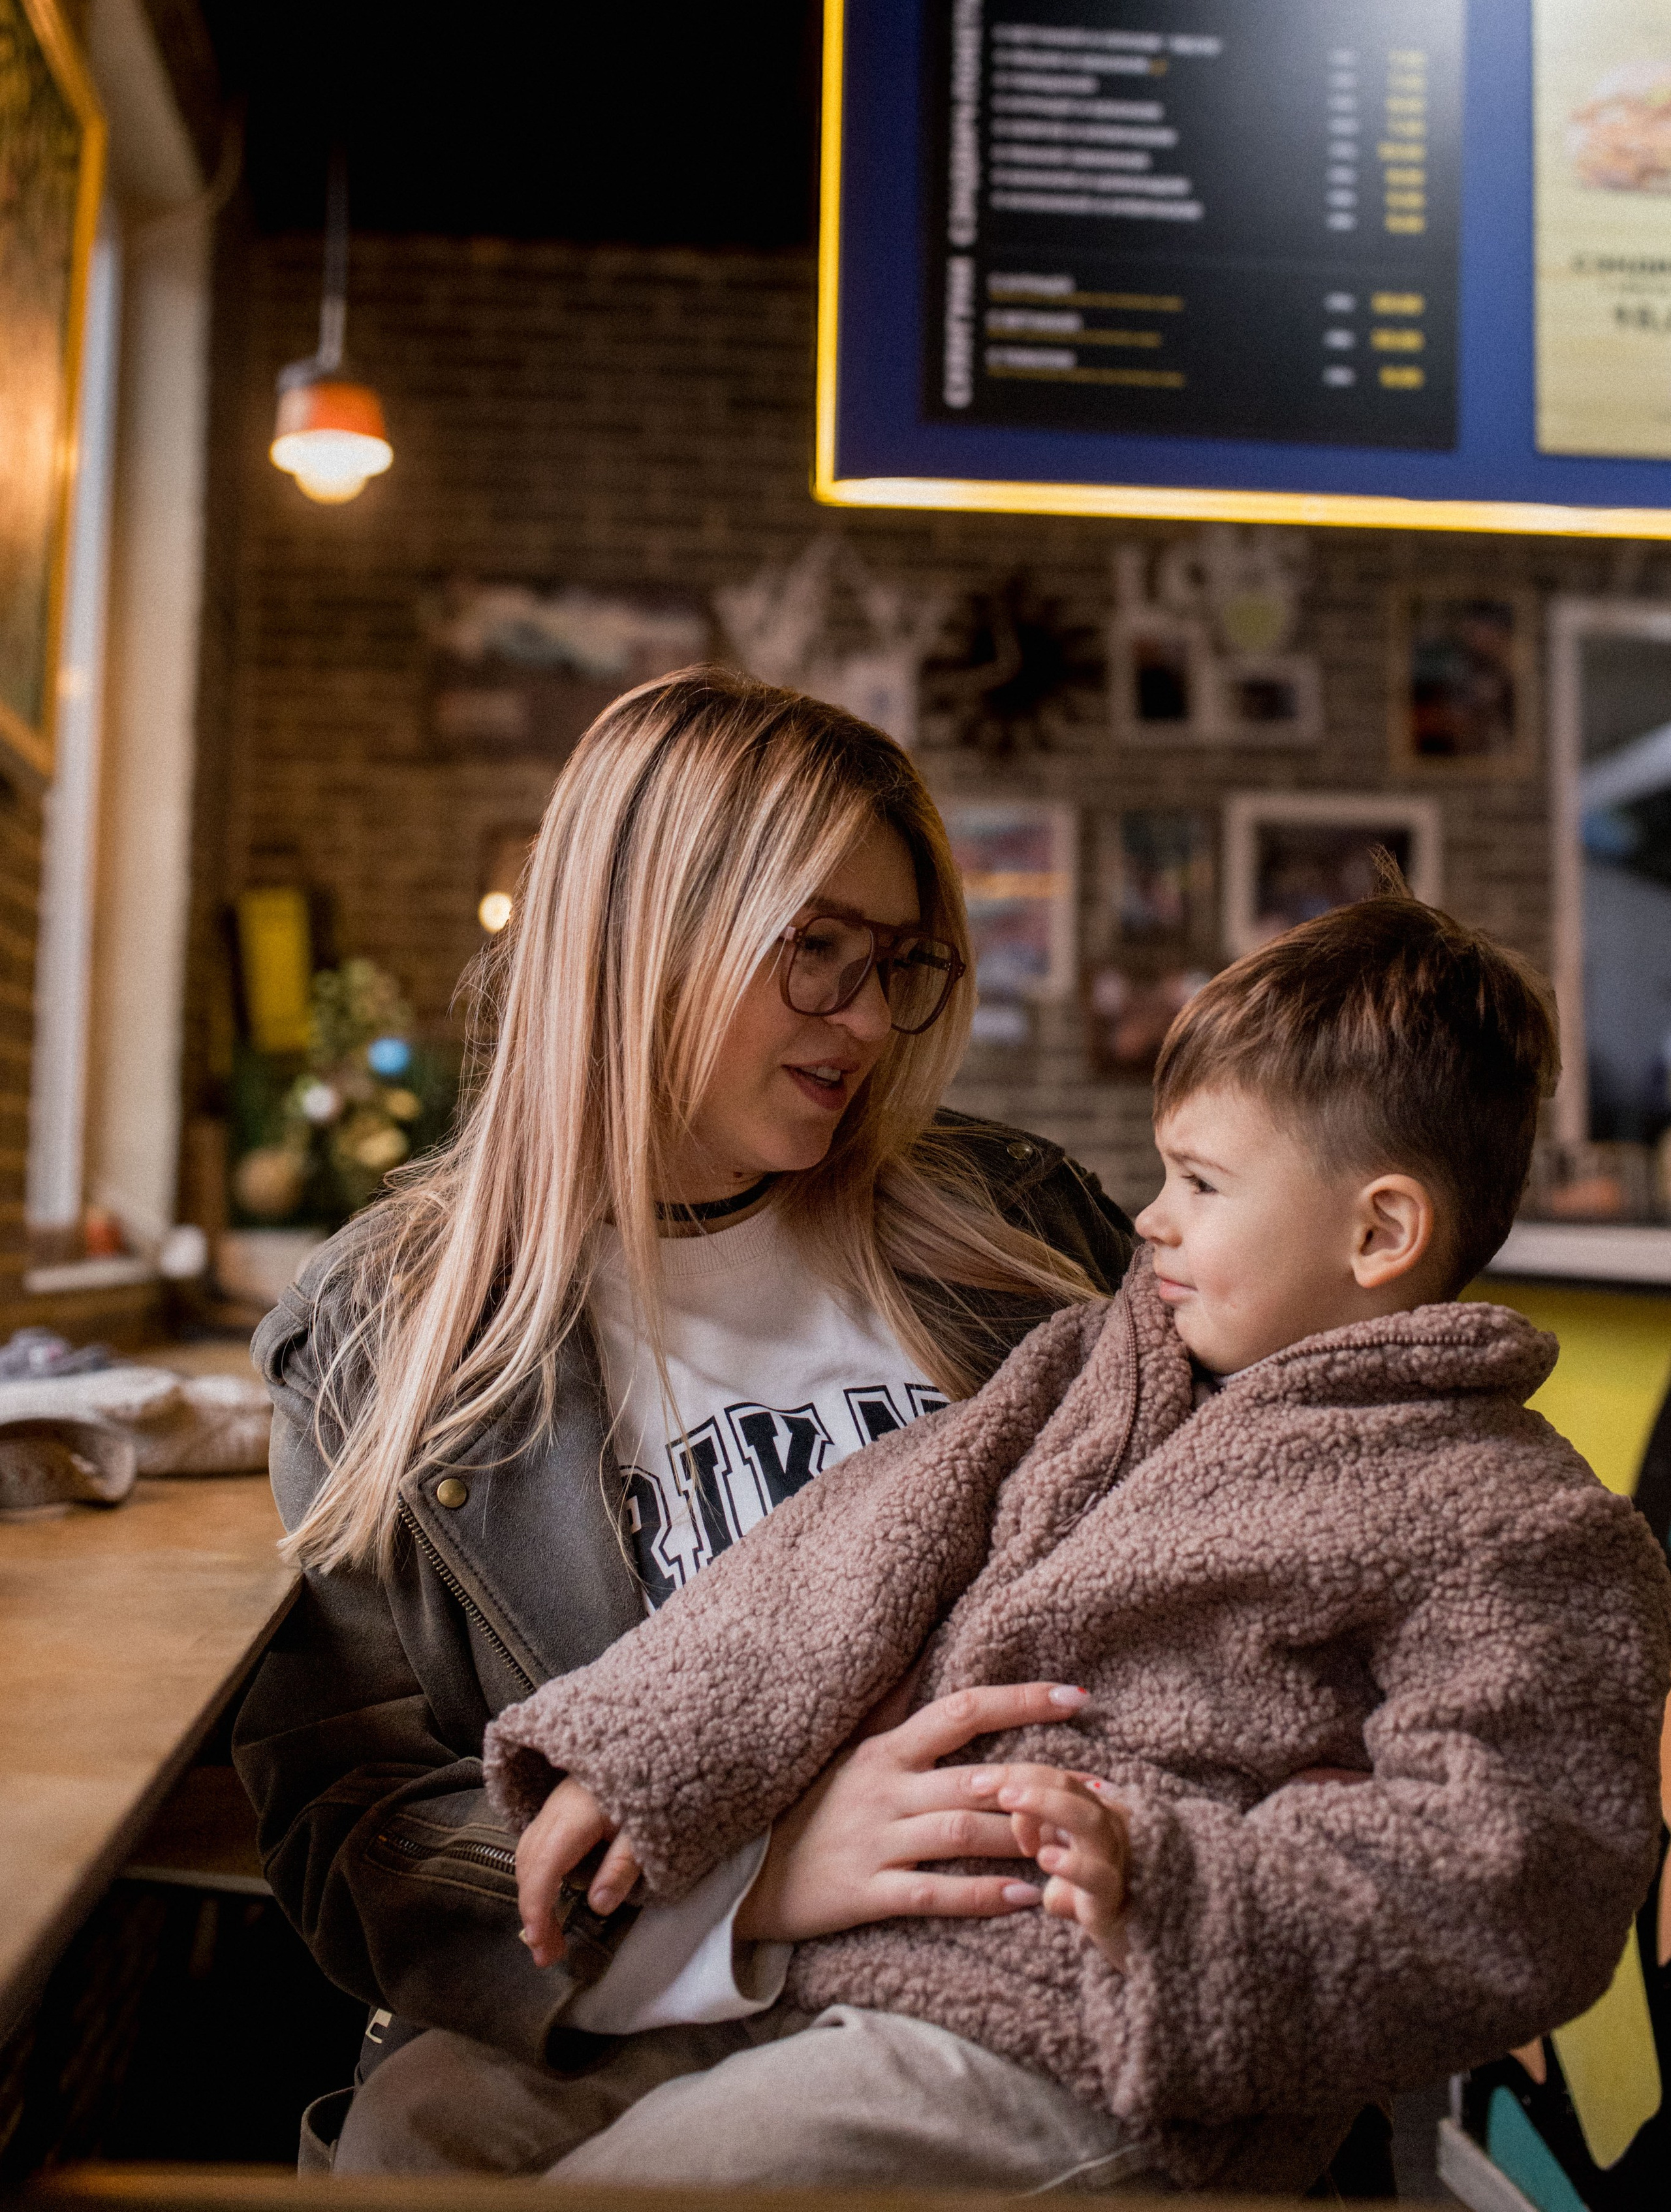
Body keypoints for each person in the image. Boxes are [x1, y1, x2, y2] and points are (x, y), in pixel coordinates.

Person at [486, 889, 1671, 2197]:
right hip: (877, 1953)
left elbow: (1514, 1875)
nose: (1149, 1218)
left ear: (1378, 1231)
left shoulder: (1515, 1521)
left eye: (1200, 1184)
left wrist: (1171, 1891)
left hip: (1105, 2044)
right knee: (439, 2119)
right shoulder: (1095, 1366)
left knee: (652, 2186)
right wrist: (652, 1745)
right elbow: (859, 1535)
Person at [230, 668, 1135, 2172]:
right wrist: (759, 1885)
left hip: (1031, 1926)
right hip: (663, 1971)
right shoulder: (379, 1338)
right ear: (640, 939)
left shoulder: (1024, 1227)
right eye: (814, 951)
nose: (863, 1018)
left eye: (894, 961)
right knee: (410, 2138)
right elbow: (365, 1817)